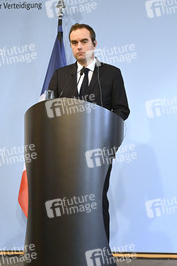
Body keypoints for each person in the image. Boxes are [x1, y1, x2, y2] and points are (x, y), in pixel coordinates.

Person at [48, 23, 130, 242]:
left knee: (96, 200)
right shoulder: (60, 76)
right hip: (66, 154)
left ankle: (99, 251)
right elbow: (49, 112)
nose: (79, 47)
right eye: (74, 43)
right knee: (67, 204)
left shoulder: (111, 74)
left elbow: (122, 109)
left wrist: (106, 134)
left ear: (94, 43)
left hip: (98, 151)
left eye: (84, 41)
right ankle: (68, 253)